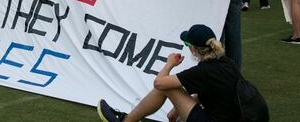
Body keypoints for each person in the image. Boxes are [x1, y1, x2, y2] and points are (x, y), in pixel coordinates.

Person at [96, 24, 268, 122]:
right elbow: (212, 94)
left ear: (193, 49)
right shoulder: (227, 63)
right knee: (175, 94)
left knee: (167, 87)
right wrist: (175, 111)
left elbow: (159, 83)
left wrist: (169, 64)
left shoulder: (204, 71)